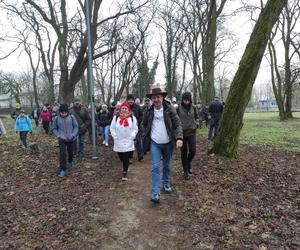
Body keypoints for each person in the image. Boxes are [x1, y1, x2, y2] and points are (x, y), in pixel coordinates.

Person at [142, 88, 183, 203]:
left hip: (168, 143)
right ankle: (155, 193)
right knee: (155, 167)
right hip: (154, 143)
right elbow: (143, 124)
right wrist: (145, 134)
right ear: (152, 99)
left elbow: (178, 124)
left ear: (162, 97)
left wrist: (179, 138)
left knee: (166, 165)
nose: (156, 99)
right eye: (154, 97)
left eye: (158, 97)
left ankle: (165, 183)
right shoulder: (148, 111)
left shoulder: (170, 109)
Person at [110, 102, 138, 181]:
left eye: (126, 108)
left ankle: (124, 171)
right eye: (123, 108)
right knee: (121, 155)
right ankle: (125, 163)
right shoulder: (116, 118)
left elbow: (135, 129)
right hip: (119, 140)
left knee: (126, 156)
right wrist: (115, 137)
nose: (124, 110)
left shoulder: (132, 118)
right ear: (120, 109)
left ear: (128, 109)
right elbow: (112, 128)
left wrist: (132, 136)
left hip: (128, 140)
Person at [177, 92, 199, 180]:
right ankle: (185, 171)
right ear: (182, 100)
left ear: (190, 100)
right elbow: (175, 119)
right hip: (182, 133)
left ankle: (188, 162)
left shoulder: (193, 108)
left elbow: (197, 117)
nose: (186, 102)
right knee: (184, 152)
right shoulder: (178, 108)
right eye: (185, 100)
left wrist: (196, 123)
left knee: (193, 151)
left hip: (192, 132)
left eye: (188, 100)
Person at [53, 104, 78, 177]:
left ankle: (70, 162)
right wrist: (58, 135)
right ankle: (63, 169)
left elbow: (76, 126)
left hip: (71, 138)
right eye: (62, 112)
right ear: (60, 112)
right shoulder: (56, 118)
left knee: (70, 152)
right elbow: (54, 129)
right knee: (62, 154)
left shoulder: (72, 117)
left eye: (65, 112)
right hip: (62, 139)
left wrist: (73, 134)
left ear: (67, 112)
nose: (63, 114)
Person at [127, 94, 144, 161]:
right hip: (127, 127)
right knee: (130, 142)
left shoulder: (137, 107)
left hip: (137, 127)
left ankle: (140, 155)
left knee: (139, 141)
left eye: (132, 100)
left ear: (133, 100)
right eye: (129, 100)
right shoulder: (126, 107)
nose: (130, 101)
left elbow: (141, 115)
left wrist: (138, 122)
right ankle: (129, 157)